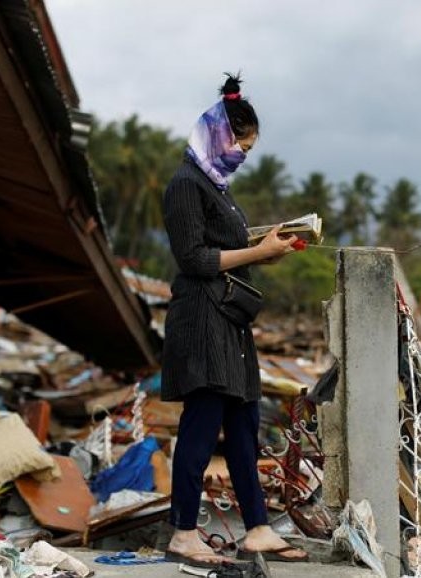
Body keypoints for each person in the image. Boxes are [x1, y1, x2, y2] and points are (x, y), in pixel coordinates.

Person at [160, 73, 307, 567]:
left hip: (231, 320)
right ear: (219, 135)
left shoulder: (218, 187)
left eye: (247, 148)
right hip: (202, 319)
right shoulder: (185, 185)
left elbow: (228, 251)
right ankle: (183, 531)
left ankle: (259, 529)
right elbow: (195, 259)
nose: (241, 155)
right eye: (240, 145)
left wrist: (266, 252)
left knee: (244, 424)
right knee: (201, 425)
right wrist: (254, 252)